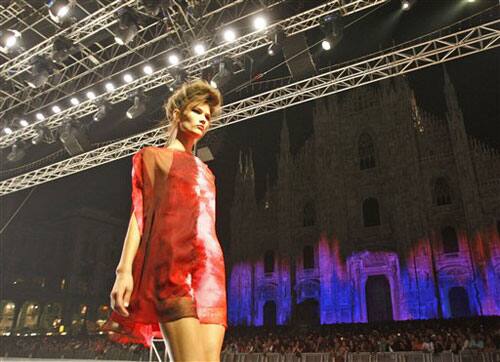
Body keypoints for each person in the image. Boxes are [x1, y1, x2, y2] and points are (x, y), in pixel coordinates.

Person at [101, 79, 227, 361]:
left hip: (210, 268)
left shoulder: (207, 172)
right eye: (197, 111)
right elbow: (140, 213)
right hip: (172, 263)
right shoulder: (153, 158)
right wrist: (124, 270)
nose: (204, 120)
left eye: (207, 116)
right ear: (177, 113)